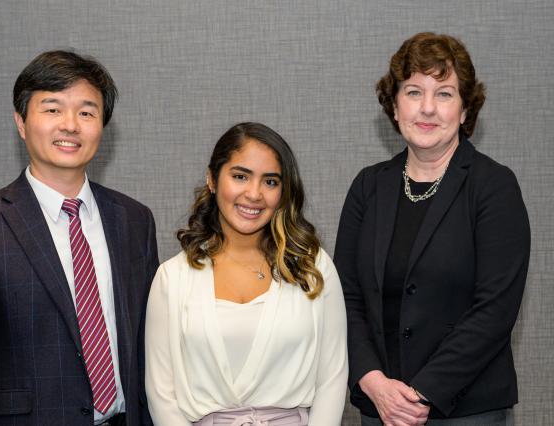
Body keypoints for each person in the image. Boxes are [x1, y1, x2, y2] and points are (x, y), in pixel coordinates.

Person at [0, 50, 158, 425]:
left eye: (87, 112)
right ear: (21, 122)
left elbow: (149, 349)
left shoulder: (134, 220)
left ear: (102, 125)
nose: (70, 125)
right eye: (52, 109)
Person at [334, 32, 530, 425]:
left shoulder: (493, 186)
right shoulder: (368, 187)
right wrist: (374, 383)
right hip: (381, 408)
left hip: (466, 410)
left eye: (443, 93)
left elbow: (494, 309)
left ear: (464, 110)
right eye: (412, 92)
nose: (427, 109)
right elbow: (345, 300)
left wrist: (422, 394)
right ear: (394, 106)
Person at [145, 122, 348, 425]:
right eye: (240, 176)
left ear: (284, 190)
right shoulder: (172, 278)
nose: (254, 194)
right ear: (212, 179)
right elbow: (161, 394)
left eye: (270, 182)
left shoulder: (313, 268)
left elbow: (333, 379)